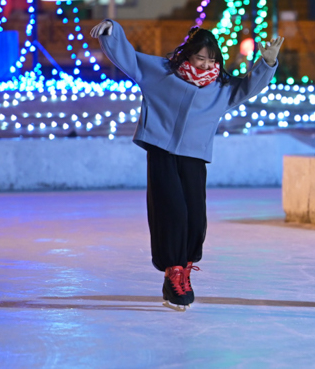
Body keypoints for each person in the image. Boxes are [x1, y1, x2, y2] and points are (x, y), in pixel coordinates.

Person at [90, 19, 284, 311]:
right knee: (172, 213)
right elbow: (128, 58)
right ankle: (173, 274)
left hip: (194, 157)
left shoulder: (221, 88)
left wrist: (266, 62)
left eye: (211, 59)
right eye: (200, 58)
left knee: (194, 217)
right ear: (188, 56)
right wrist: (112, 30)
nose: (206, 65)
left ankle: (185, 269)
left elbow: (248, 88)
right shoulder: (161, 73)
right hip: (161, 152)